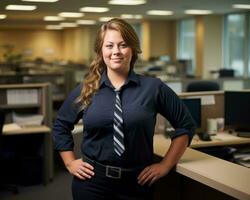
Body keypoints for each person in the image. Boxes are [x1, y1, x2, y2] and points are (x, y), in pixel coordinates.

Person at [53, 18, 195, 200]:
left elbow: (186, 125)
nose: (116, 52)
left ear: (133, 49)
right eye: (109, 46)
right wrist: (70, 162)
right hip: (92, 184)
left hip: (137, 184)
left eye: (123, 45)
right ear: (101, 50)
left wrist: (165, 165)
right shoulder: (87, 89)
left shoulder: (153, 88)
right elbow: (61, 125)